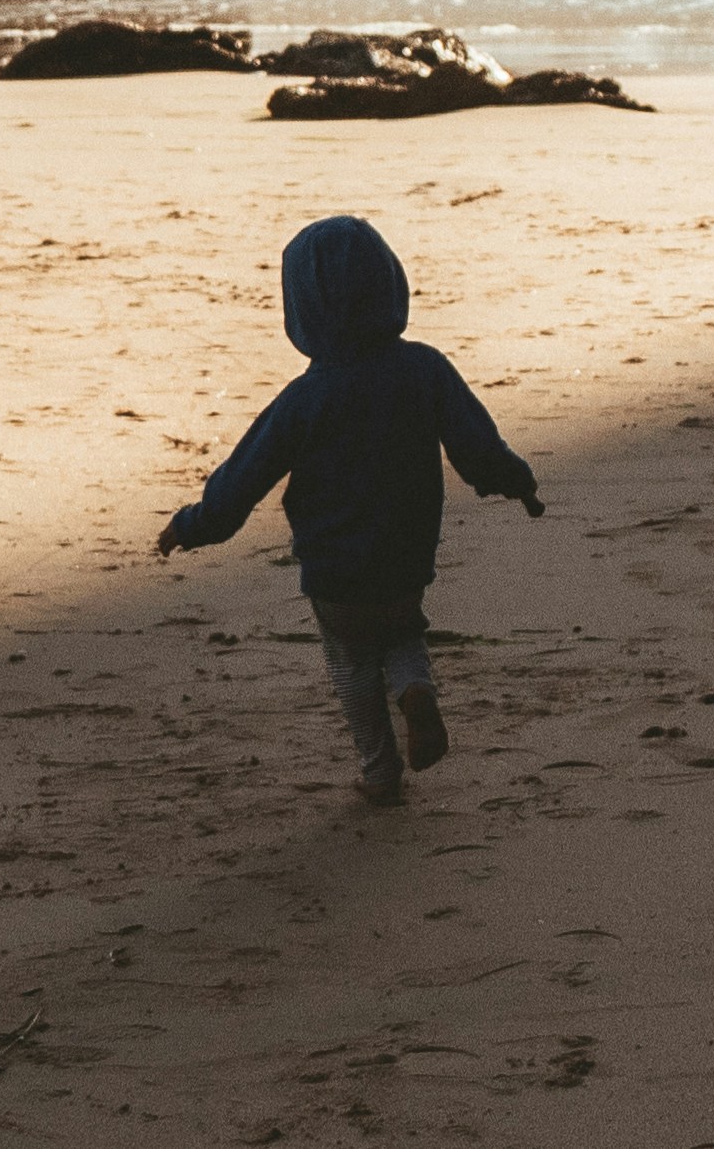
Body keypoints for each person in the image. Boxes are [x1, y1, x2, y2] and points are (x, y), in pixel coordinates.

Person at [154, 211, 545, 806]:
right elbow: (478, 444)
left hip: (335, 570)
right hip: (406, 558)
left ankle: (379, 770)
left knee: (351, 662)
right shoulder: (425, 369)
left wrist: (192, 526)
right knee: (401, 631)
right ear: (391, 284)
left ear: (302, 311)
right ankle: (415, 690)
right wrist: (517, 484)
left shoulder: (304, 399)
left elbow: (243, 479)